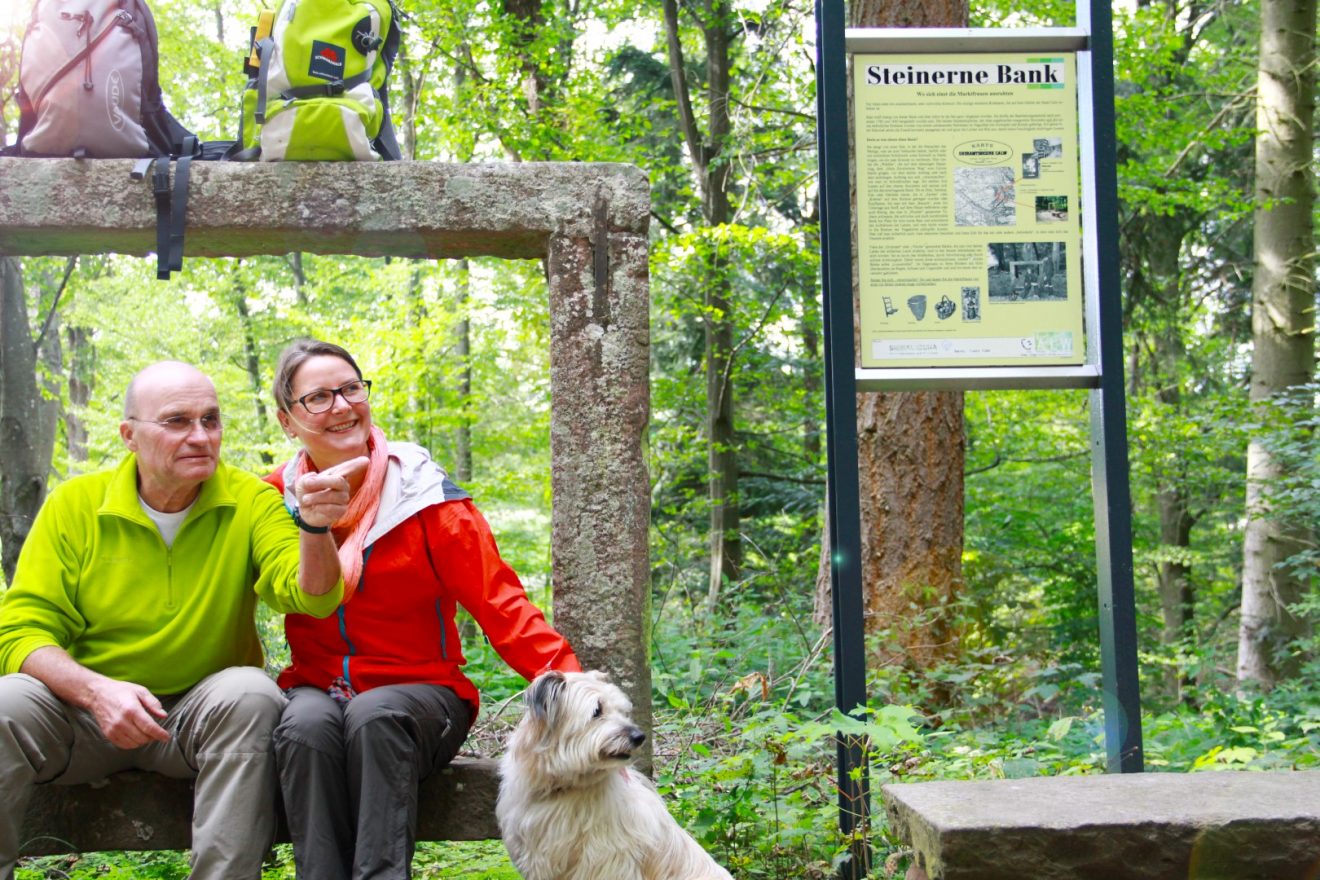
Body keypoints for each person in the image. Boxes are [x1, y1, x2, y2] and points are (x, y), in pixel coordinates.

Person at [0, 361, 360, 880]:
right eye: (177, 421)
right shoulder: (74, 506)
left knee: (250, 693)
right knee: (6, 702)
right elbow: (20, 631)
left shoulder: (251, 501)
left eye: (211, 421)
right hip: (83, 717)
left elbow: (312, 597)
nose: (200, 437)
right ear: (130, 435)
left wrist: (315, 527)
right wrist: (98, 693)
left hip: (194, 722)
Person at [266, 339, 581, 880]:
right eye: (318, 397)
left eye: (350, 389)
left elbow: (499, 601)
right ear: (288, 420)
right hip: (317, 688)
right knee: (304, 726)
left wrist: (576, 691)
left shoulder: (424, 494)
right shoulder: (273, 499)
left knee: (374, 715)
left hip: (422, 698)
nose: (341, 406)